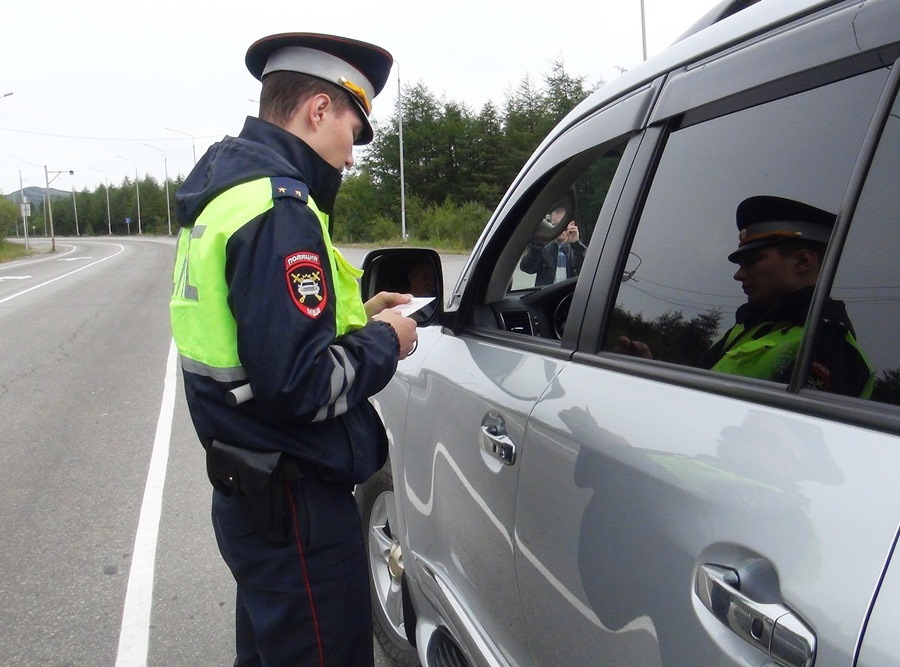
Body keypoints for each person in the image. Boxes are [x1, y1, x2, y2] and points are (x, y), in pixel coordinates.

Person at [169, 32, 418, 666]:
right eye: (355, 131)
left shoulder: (231, 195)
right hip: (295, 501)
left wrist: (359, 316)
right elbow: (300, 383)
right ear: (317, 110)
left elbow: (261, 330)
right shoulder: (280, 207)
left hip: (253, 494)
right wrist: (386, 342)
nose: (354, 156)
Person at [617, 195, 874, 397]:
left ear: (802, 261)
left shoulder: (829, 346)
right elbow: (700, 394)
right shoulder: (753, 325)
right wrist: (650, 368)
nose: (738, 275)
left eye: (752, 261)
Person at [519, 206, 586, 286]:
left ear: (571, 225)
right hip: (548, 295)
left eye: (563, 225)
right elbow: (526, 268)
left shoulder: (576, 249)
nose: (559, 229)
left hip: (570, 295)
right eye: (555, 226)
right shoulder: (543, 249)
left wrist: (576, 244)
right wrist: (538, 244)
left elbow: (589, 269)